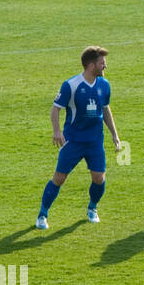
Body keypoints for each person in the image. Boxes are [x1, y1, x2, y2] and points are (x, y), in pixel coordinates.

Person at [36, 46, 121, 229]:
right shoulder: (71, 85)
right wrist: (57, 131)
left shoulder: (104, 85)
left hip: (95, 141)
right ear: (91, 65)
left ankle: (92, 208)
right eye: (102, 63)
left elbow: (105, 109)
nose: (105, 66)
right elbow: (55, 109)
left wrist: (115, 135)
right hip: (73, 140)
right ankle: (42, 215)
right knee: (59, 178)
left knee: (99, 178)